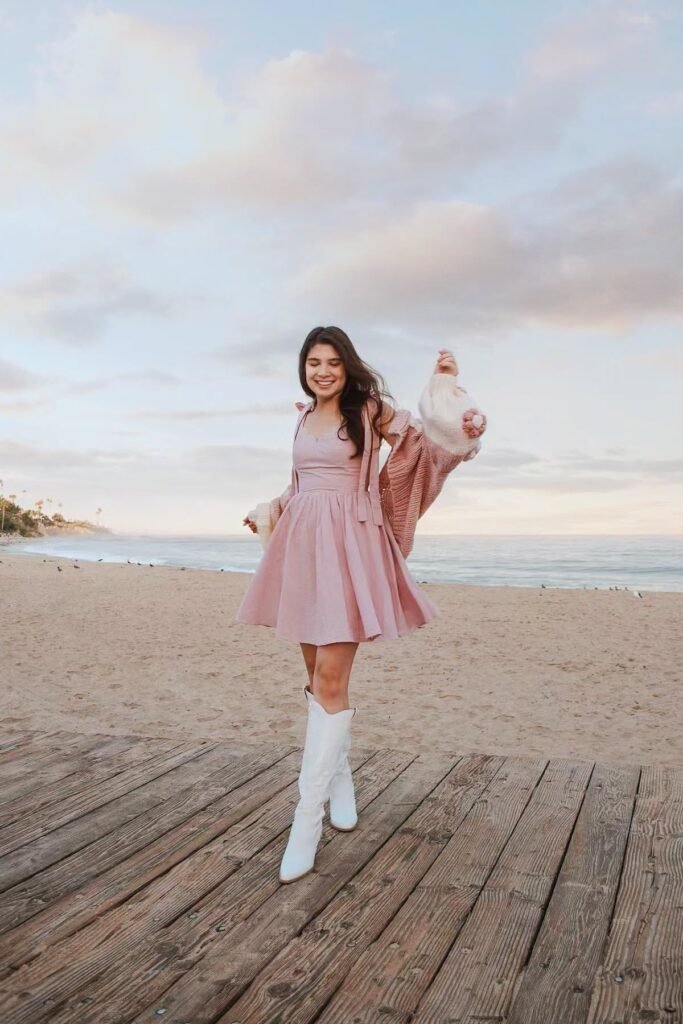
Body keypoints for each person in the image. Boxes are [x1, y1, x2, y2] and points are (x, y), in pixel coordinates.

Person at [234, 325, 486, 882]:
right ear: (304, 368)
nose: (322, 371)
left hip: (350, 544)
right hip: (303, 545)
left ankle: (306, 821)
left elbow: (426, 446)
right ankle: (340, 779)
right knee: (313, 676)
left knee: (330, 678)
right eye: (314, 363)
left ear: (346, 366)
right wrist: (269, 509)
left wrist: (446, 392)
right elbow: (302, 483)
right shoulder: (302, 416)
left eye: (332, 362)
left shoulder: (369, 409)